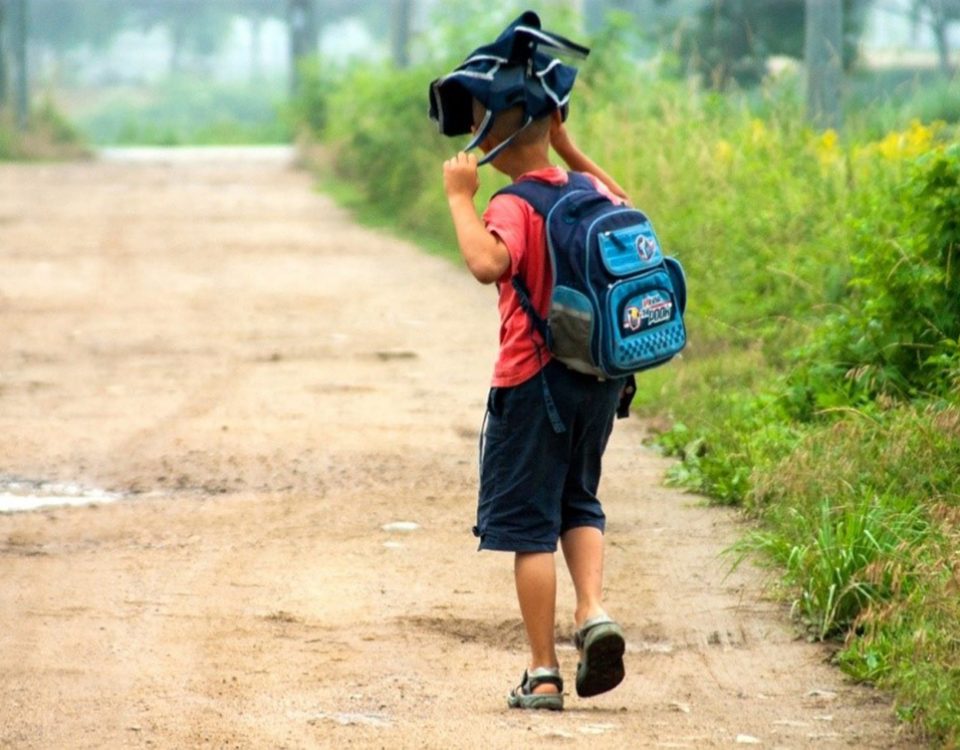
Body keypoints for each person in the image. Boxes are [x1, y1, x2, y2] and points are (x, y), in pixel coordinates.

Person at [431, 12, 631, 712]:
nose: (472, 131)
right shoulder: (585, 192)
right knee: (581, 502)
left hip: (530, 386)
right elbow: (623, 201)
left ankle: (543, 671)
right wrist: (572, 150)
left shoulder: (513, 204)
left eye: (481, 117)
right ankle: (594, 611)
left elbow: (488, 264)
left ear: (502, 130)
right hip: (595, 384)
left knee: (527, 528)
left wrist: (461, 199)